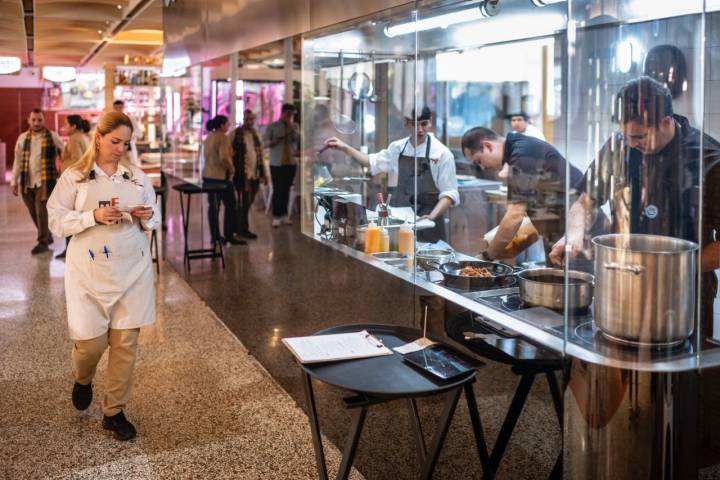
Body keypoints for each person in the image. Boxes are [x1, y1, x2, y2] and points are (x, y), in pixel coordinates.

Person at [547, 76, 720, 333]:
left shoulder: (708, 160)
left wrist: (671, 269)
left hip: (685, 290)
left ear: (666, 122)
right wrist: (572, 236)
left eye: (639, 137)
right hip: (622, 279)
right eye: (626, 136)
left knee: (676, 367)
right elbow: (585, 201)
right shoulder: (620, 146)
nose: (631, 144)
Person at [46, 111, 159, 441]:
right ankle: (83, 378)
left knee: (126, 343)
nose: (121, 148)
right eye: (115, 141)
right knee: (90, 344)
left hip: (132, 266)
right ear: (98, 137)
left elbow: (154, 217)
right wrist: (92, 216)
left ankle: (114, 411)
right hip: (89, 270)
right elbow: (56, 220)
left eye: (126, 143)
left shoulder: (136, 177)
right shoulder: (75, 177)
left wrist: (148, 215)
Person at [324, 106, 460, 242]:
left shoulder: (442, 153)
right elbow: (371, 161)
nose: (420, 130)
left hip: (430, 224)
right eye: (414, 124)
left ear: (430, 122)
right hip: (402, 222)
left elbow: (449, 193)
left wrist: (430, 216)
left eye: (424, 124)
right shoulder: (397, 148)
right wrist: (344, 147)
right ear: (407, 123)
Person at [461, 126, 582, 260]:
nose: (482, 167)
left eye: (479, 161)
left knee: (576, 279)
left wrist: (487, 256)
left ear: (488, 146)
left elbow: (515, 215)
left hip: (578, 231)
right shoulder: (518, 150)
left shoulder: (522, 153)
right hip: (559, 233)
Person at [11, 108, 64, 255]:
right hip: (27, 182)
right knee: (33, 212)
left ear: (44, 120)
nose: (36, 123)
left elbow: (65, 152)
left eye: (39, 120)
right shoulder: (22, 138)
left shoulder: (52, 136)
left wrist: (64, 172)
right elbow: (18, 160)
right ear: (29, 120)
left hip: (46, 181)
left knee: (41, 212)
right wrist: (14, 181)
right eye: (33, 120)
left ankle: (42, 242)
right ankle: (47, 236)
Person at [202, 115, 244, 245]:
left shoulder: (209, 137)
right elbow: (224, 157)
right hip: (220, 177)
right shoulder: (223, 138)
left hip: (208, 175)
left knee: (213, 207)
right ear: (221, 125)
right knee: (231, 205)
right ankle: (229, 234)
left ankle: (215, 236)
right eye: (227, 124)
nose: (229, 126)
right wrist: (231, 169)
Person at [56, 115, 91, 259]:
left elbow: (77, 161)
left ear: (74, 126)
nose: (64, 127)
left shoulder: (75, 139)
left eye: (66, 124)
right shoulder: (83, 137)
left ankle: (70, 249)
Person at [230, 109, 267, 239]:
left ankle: (239, 226)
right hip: (242, 173)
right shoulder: (235, 134)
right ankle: (242, 228)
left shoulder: (256, 134)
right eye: (247, 119)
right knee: (244, 201)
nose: (249, 122)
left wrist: (265, 173)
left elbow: (261, 154)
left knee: (248, 201)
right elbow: (230, 153)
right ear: (243, 119)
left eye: (251, 119)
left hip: (255, 173)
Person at [264, 103, 300, 227]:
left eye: (292, 114)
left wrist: (290, 126)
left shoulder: (294, 126)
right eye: (288, 113)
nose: (289, 116)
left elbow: (297, 138)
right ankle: (276, 215)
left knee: (286, 189)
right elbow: (265, 143)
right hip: (276, 163)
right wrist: (274, 141)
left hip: (290, 162)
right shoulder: (273, 126)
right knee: (278, 189)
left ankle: (285, 215)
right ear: (283, 112)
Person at [112, 100, 142, 166]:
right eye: (116, 108)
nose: (118, 110)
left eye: (120, 108)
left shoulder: (131, 119)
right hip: (116, 149)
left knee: (132, 168)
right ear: (113, 109)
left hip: (129, 147)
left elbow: (139, 134)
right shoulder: (112, 121)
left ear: (123, 107)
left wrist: (127, 135)